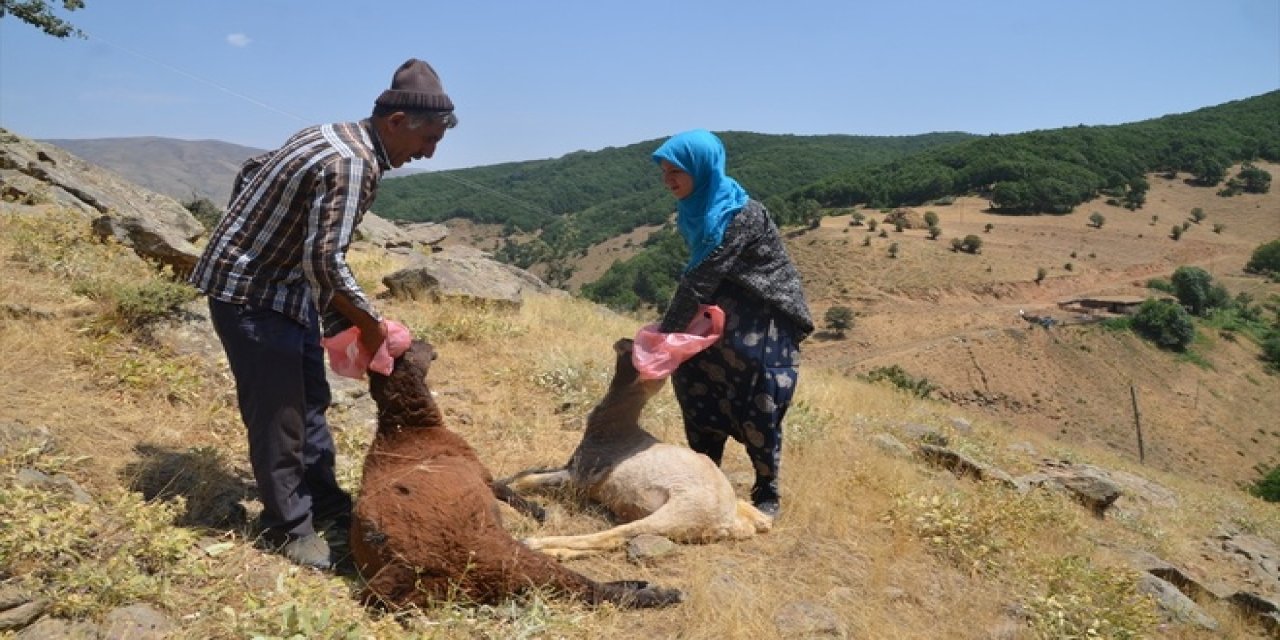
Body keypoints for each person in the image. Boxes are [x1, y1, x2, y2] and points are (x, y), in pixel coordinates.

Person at [188, 58, 457, 569]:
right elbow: (324, 258)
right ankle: (290, 528)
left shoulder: (329, 133)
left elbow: (252, 171)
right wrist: (370, 326)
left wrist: (250, 235)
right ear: (396, 122)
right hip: (254, 295)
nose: (427, 154)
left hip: (283, 290)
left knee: (311, 397)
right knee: (279, 415)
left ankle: (327, 502)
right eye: (427, 141)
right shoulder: (355, 164)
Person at [651, 129, 814, 519]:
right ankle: (706, 473)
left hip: (764, 312)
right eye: (665, 171)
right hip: (722, 308)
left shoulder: (740, 214)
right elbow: (702, 277)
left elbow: (701, 276)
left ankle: (766, 489)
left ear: (702, 169)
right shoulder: (696, 207)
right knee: (695, 376)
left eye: (678, 171)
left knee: (758, 391)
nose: (669, 180)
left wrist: (663, 333)